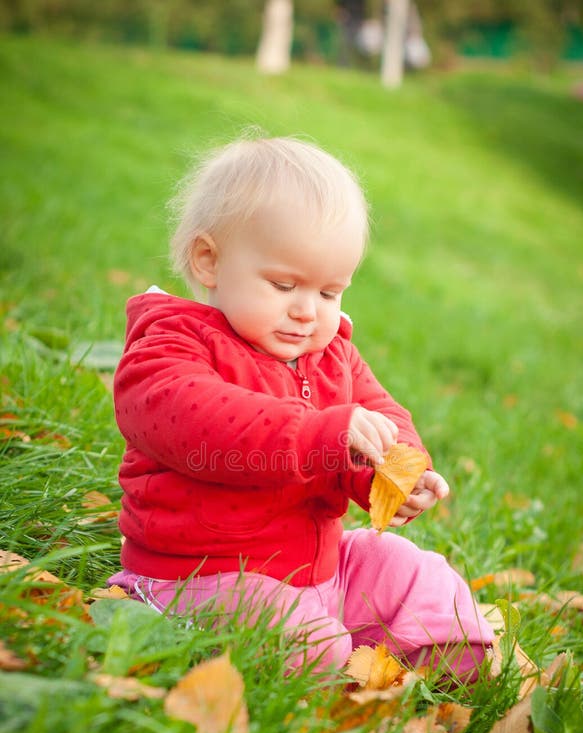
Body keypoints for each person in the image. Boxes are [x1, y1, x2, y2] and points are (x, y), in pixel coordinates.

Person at [108, 135, 493, 678]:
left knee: (406, 569)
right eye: (284, 284)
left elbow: (382, 415)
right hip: (199, 579)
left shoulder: (332, 355)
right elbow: (201, 423)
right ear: (209, 261)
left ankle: (450, 651)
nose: (307, 312)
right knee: (303, 642)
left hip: (319, 573)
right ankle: (336, 683)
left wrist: (395, 471)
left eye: (330, 293)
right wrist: (323, 434)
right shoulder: (172, 345)